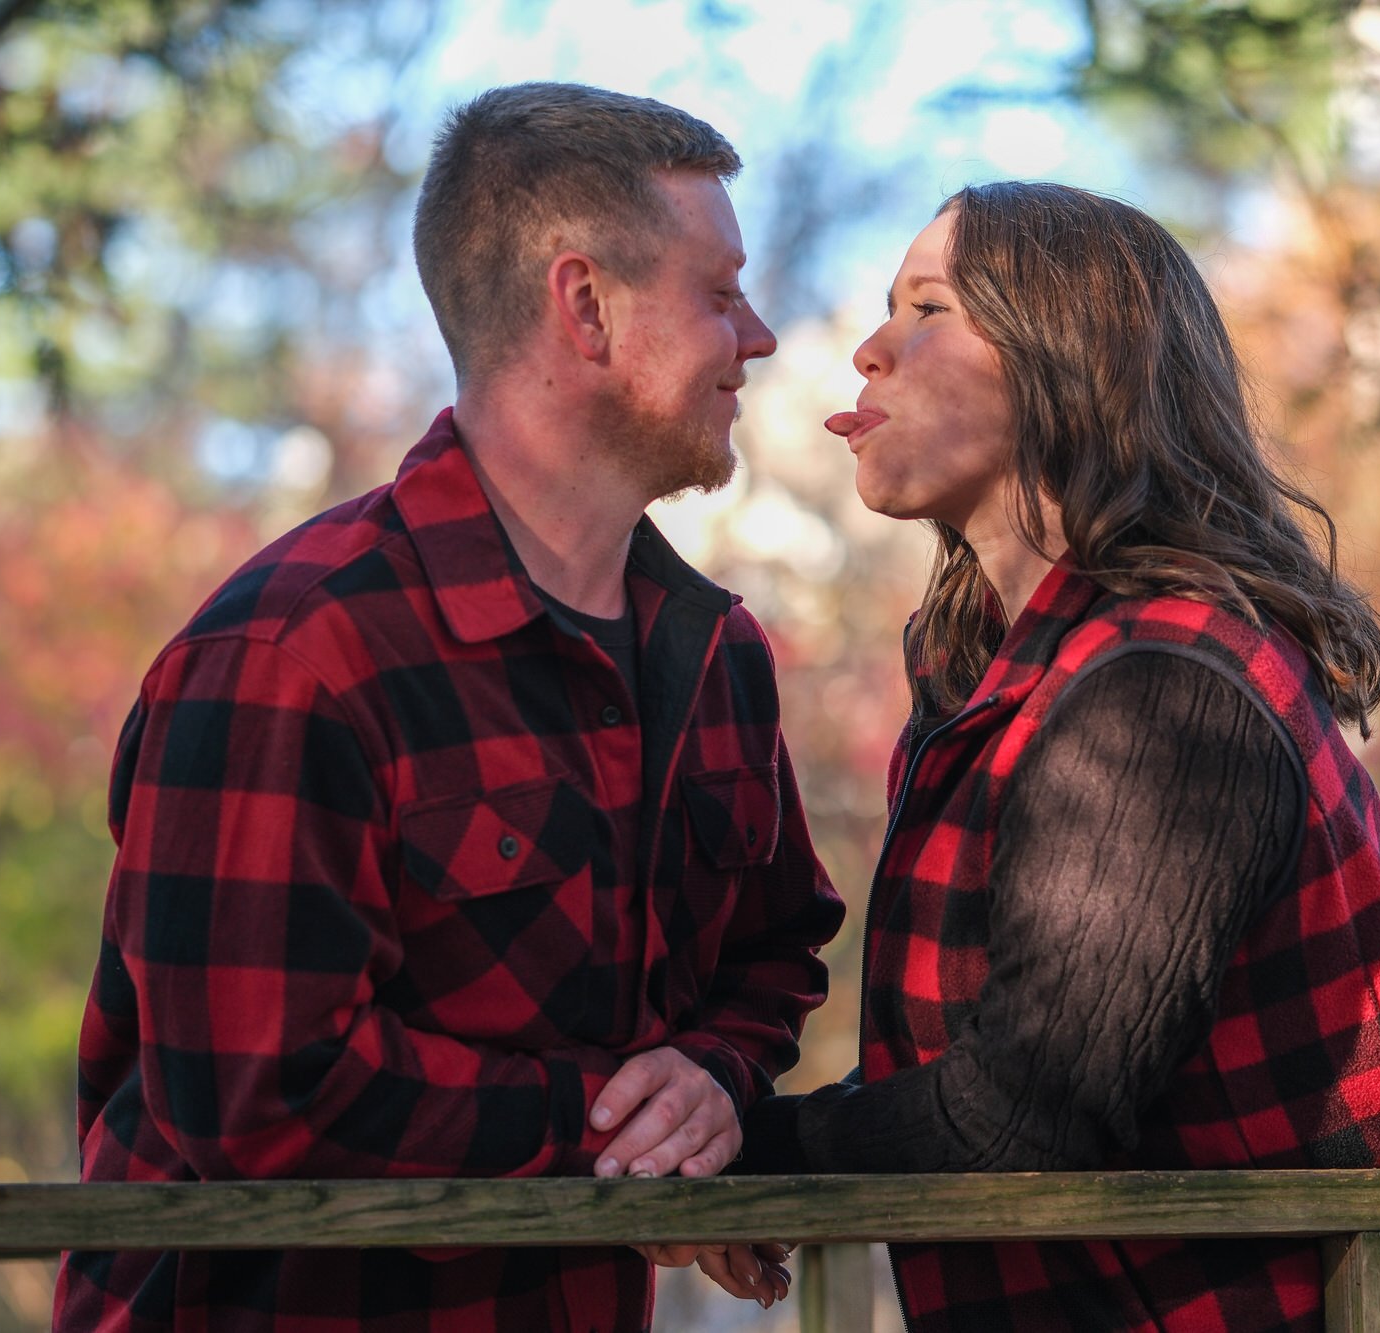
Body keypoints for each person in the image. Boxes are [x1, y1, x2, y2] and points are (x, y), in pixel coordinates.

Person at [706, 182, 1380, 1332]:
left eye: (927, 310)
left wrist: (739, 1154)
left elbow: (1019, 1115)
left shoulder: (1164, 689)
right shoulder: (1023, 680)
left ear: (1065, 358)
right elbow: (1004, 1068)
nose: (868, 350)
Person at [52, 82, 843, 1332]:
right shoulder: (294, 654)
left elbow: (775, 945)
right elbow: (265, 1094)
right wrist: (608, 1127)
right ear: (584, 305)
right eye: (718, 292)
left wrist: (711, 1076)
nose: (758, 337)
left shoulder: (715, 658)